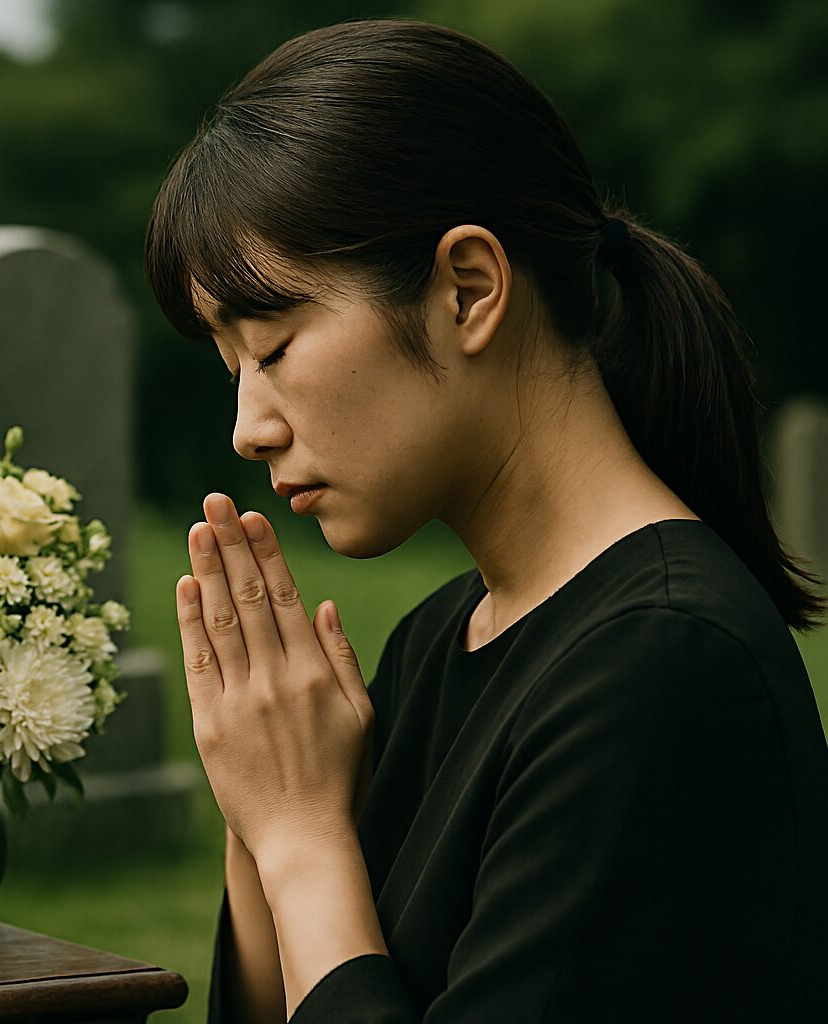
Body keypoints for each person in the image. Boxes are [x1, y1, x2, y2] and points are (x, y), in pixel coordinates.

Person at [145, 19, 828, 1023]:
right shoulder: (437, 639)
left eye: (277, 346)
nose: (247, 427)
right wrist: (263, 810)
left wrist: (302, 837)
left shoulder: (662, 664)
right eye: (229, 364)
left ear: (468, 290)